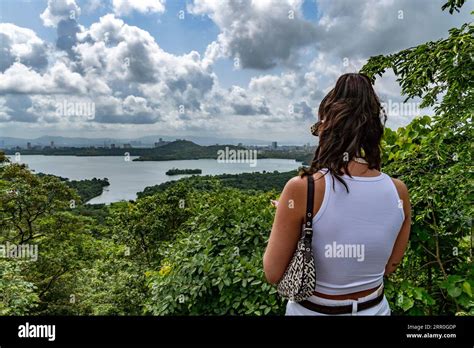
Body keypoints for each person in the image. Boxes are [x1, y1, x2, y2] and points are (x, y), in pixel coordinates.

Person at [263, 73, 411, 315]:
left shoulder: (302, 189)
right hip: (375, 309)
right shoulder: (398, 191)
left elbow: (273, 273)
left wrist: (289, 214)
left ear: (327, 128)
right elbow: (390, 266)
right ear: (374, 130)